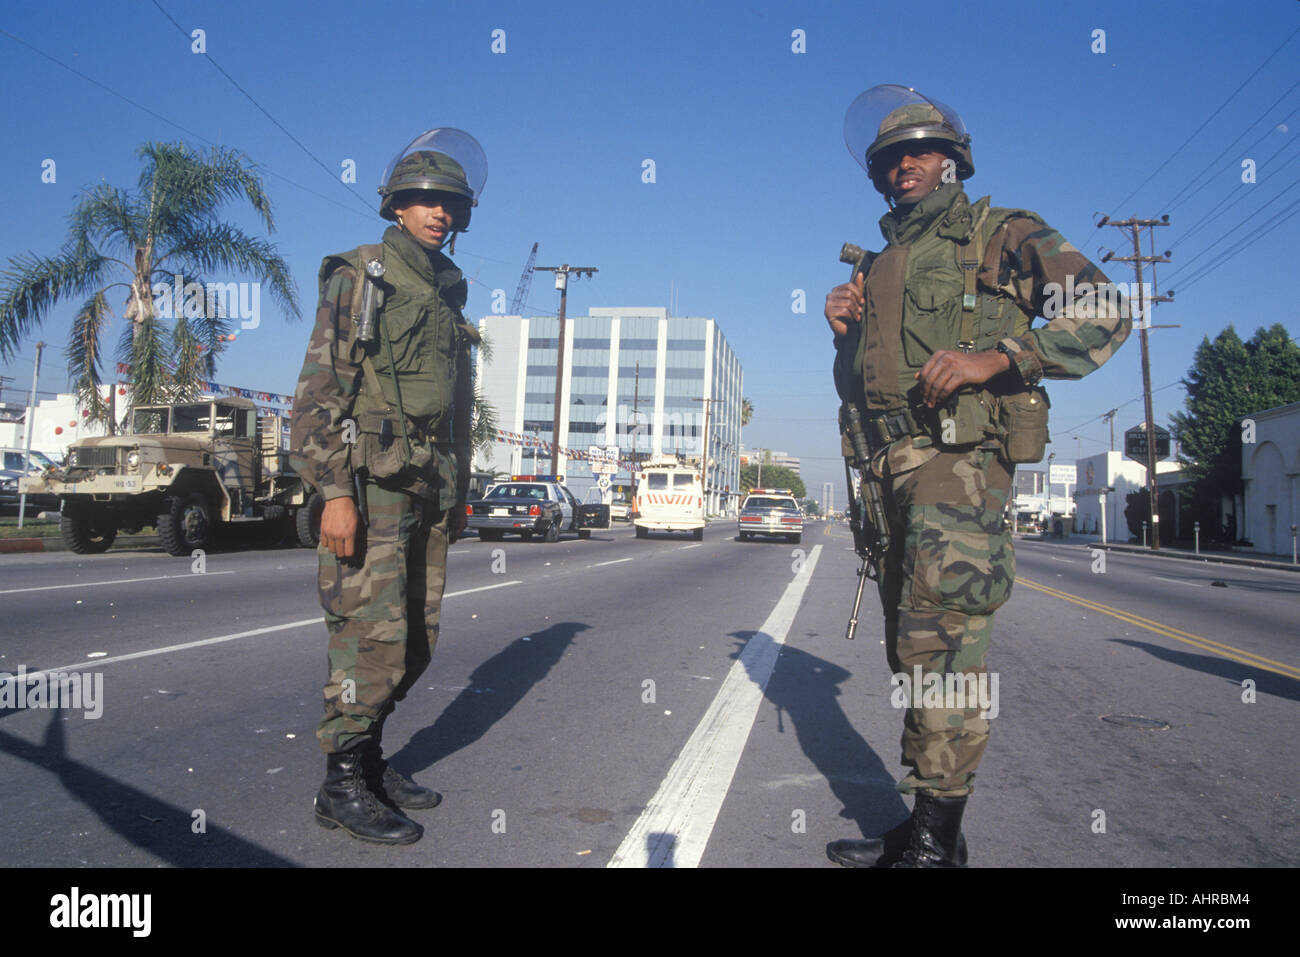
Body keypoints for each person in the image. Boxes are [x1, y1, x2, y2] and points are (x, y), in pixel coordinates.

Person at [824, 86, 1131, 867]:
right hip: (892, 474)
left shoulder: (998, 234)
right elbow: (863, 390)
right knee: (911, 649)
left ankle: (935, 846)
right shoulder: (886, 262)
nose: (904, 167)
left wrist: (999, 357)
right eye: (891, 158)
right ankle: (927, 828)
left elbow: (1104, 310)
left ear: (954, 160)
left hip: (957, 470)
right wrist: (845, 337)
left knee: (944, 652)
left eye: (920, 152)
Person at [290, 128, 487, 845]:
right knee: (369, 640)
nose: (438, 213)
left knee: (414, 640)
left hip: (426, 487)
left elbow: (456, 405)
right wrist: (333, 492)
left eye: (449, 204)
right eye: (424, 200)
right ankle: (341, 782)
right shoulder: (363, 274)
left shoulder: (445, 289)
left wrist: (457, 489)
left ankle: (370, 759)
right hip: (369, 490)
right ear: (397, 206)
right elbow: (318, 390)